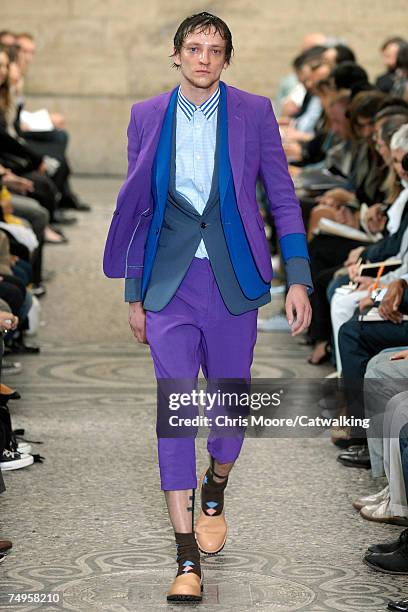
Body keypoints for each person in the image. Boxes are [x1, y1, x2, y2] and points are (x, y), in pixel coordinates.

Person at [103, 11, 312, 602]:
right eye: (193, 48)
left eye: (214, 49)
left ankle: (216, 482)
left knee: (228, 408)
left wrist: (298, 278)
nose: (203, 58)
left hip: (233, 280)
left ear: (226, 58)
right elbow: (139, 208)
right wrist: (133, 294)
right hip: (168, 285)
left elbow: (283, 198)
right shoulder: (147, 116)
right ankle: (185, 557)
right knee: (175, 411)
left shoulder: (253, 111)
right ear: (176, 55)